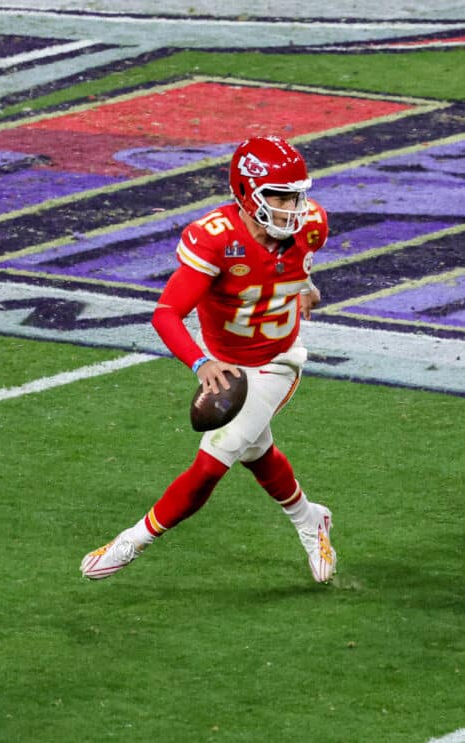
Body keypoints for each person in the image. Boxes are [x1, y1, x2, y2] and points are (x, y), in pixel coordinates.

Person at [81, 135, 337, 583]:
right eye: (279, 196)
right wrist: (202, 363)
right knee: (257, 450)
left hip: (278, 360)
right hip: (226, 364)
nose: (291, 207)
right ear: (245, 193)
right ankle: (310, 519)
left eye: (296, 195)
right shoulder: (216, 239)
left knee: (212, 462)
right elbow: (166, 314)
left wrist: (306, 290)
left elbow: (294, 271)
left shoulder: (311, 224)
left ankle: (132, 540)